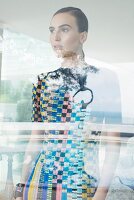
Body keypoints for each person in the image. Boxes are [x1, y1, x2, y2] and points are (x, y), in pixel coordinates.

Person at [14, 7, 122, 200]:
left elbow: (113, 143)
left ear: (83, 36)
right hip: (40, 182)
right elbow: (35, 138)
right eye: (51, 30)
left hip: (82, 183)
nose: (55, 37)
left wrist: (101, 194)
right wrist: (21, 186)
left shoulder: (105, 79)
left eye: (64, 29)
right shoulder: (42, 81)